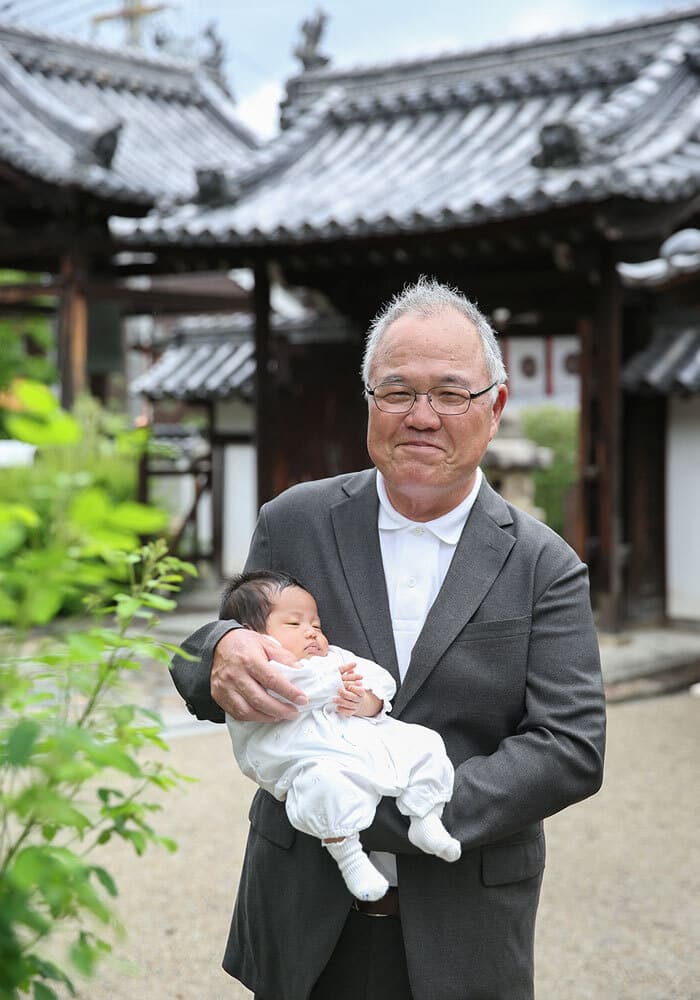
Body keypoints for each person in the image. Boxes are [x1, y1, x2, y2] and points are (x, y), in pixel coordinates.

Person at [171, 277, 606, 1000]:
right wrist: (216, 649)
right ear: (369, 401)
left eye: (452, 394)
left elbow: (570, 747)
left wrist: (395, 811)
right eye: (397, 392)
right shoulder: (295, 521)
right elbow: (221, 645)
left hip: (465, 918)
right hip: (301, 906)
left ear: (495, 406)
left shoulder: (543, 563)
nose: (422, 416)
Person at [219, 569, 460, 902]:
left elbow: (379, 678)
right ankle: (348, 855)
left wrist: (366, 700)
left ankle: (425, 816)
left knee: (424, 743)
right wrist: (335, 684)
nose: (311, 632)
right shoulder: (261, 668)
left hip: (361, 745)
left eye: (316, 625)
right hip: (306, 759)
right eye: (294, 624)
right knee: (325, 786)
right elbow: (291, 692)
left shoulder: (335, 658)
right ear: (251, 635)